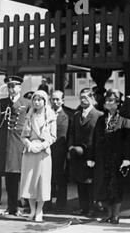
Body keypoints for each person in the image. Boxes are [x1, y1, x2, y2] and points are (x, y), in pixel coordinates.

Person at [0, 76, 30, 216]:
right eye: (9, 86)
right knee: (9, 176)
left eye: (14, 86)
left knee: (20, 176)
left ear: (20, 87)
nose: (11, 89)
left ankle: (24, 205)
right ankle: (11, 207)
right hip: (5, 143)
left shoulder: (26, 103)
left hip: (19, 142)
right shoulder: (3, 102)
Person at [88, 89, 130, 224]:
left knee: (116, 187)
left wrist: (127, 159)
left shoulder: (125, 121)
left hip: (117, 159)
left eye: (111, 100)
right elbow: (94, 139)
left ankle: (116, 215)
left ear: (118, 103)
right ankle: (108, 214)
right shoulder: (101, 119)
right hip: (102, 158)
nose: (108, 103)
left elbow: (128, 142)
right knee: (103, 186)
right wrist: (92, 157)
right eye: (106, 101)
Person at [20, 90, 57, 222]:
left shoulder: (51, 117)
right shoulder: (29, 116)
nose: (36, 102)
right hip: (30, 153)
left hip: (43, 154)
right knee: (29, 181)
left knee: (42, 182)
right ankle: (32, 210)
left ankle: (40, 211)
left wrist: (42, 146)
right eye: (34, 100)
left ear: (45, 101)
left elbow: (53, 137)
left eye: (39, 100)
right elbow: (23, 136)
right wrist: (29, 144)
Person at [68, 88, 103, 216]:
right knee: (80, 181)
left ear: (92, 98)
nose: (83, 100)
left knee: (90, 183)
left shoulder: (98, 115)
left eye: (86, 97)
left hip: (91, 155)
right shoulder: (76, 115)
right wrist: (70, 147)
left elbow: (98, 138)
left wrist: (93, 157)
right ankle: (83, 208)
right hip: (77, 154)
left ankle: (91, 208)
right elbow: (71, 133)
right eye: (81, 97)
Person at [49, 90, 70, 212]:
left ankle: (61, 205)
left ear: (63, 100)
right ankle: (47, 202)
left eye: (58, 99)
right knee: (48, 179)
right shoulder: (46, 114)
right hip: (48, 152)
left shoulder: (67, 115)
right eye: (53, 99)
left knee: (61, 179)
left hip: (61, 153)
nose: (55, 101)